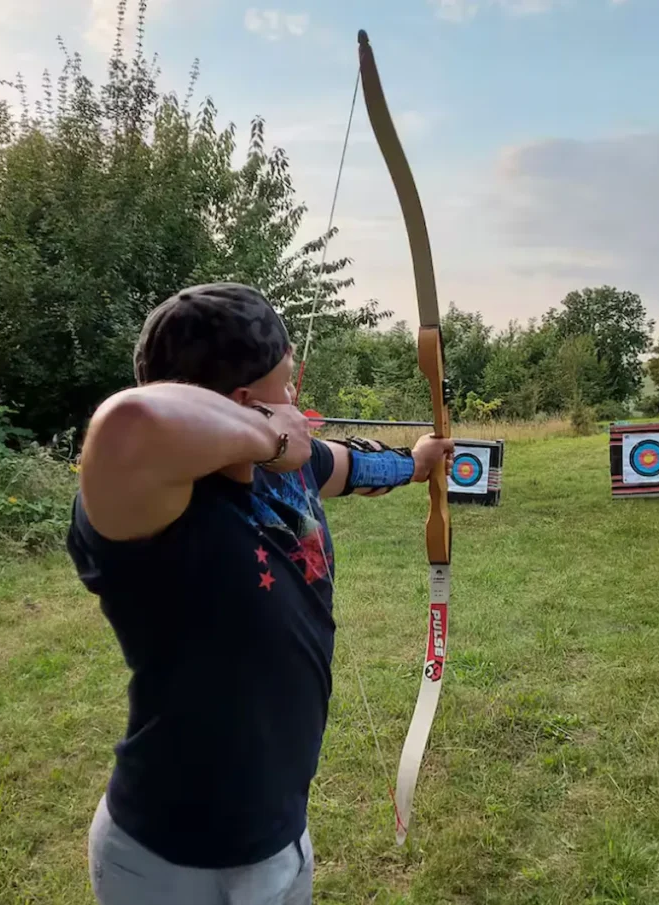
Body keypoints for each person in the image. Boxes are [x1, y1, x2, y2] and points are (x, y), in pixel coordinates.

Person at [66, 282, 454, 905]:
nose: (296, 396)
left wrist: (416, 461)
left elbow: (351, 467)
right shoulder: (144, 501)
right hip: (169, 861)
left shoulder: (291, 466)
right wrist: (271, 436)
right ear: (247, 402)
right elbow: (131, 420)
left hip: (279, 834)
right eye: (287, 380)